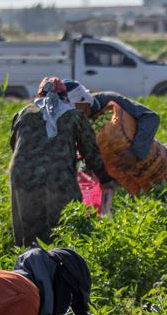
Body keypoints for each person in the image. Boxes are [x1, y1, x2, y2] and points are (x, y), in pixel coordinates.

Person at [10, 77, 112, 246]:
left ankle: (28, 259)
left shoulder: (23, 113)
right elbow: (91, 152)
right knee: (64, 227)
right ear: (65, 96)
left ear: (39, 95)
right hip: (58, 177)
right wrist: (105, 178)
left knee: (28, 228)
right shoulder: (74, 115)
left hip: (22, 175)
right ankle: (61, 258)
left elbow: (14, 145)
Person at [64, 80, 162, 162]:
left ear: (83, 99)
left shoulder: (109, 100)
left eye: (76, 109)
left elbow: (150, 117)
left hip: (149, 161)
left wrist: (135, 153)